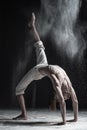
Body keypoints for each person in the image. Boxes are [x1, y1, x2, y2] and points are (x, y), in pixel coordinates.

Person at [13, 13, 78, 125]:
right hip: (38, 70)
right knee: (39, 45)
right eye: (61, 95)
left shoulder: (67, 81)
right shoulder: (59, 82)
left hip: (45, 67)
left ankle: (24, 114)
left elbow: (74, 101)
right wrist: (64, 122)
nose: (61, 97)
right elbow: (63, 101)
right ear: (63, 91)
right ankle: (33, 26)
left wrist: (75, 119)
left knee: (18, 89)